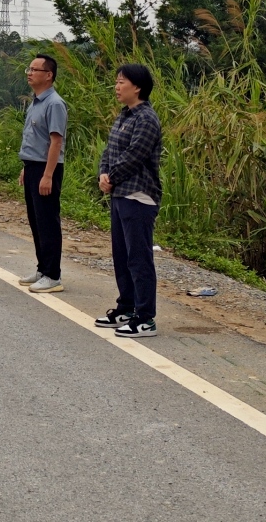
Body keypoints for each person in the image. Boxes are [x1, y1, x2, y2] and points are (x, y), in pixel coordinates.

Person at [94, 63, 162, 337]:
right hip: (121, 194)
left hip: (139, 196)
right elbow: (110, 151)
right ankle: (127, 307)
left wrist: (112, 176)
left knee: (138, 258)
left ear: (138, 86)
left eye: (121, 82)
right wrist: (103, 173)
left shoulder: (147, 118)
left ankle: (146, 318)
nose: (116, 86)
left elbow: (136, 155)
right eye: (116, 81)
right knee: (122, 256)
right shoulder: (124, 116)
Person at [16, 55, 67, 293]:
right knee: (36, 220)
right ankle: (42, 268)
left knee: (47, 221)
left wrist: (47, 175)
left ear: (49, 75)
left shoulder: (54, 103)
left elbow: (56, 142)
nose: (29, 72)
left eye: (35, 69)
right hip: (33, 166)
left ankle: (53, 275)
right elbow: (35, 140)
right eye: (29, 69)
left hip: (48, 168)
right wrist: (27, 169)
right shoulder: (36, 102)